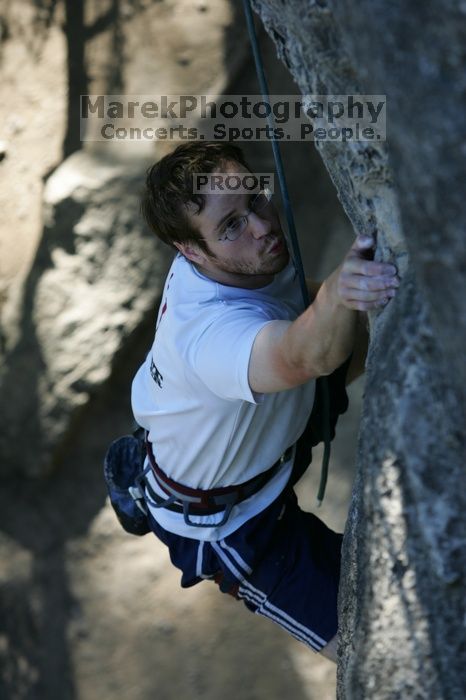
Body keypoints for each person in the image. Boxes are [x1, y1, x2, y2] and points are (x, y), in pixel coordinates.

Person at [130, 141, 399, 661]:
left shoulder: (237, 260)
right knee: (373, 649)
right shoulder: (209, 334)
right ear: (190, 251)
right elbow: (303, 357)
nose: (261, 227)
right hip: (232, 524)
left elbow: (307, 322)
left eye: (255, 198)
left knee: (359, 329)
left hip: (254, 439)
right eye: (230, 226)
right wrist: (339, 293)